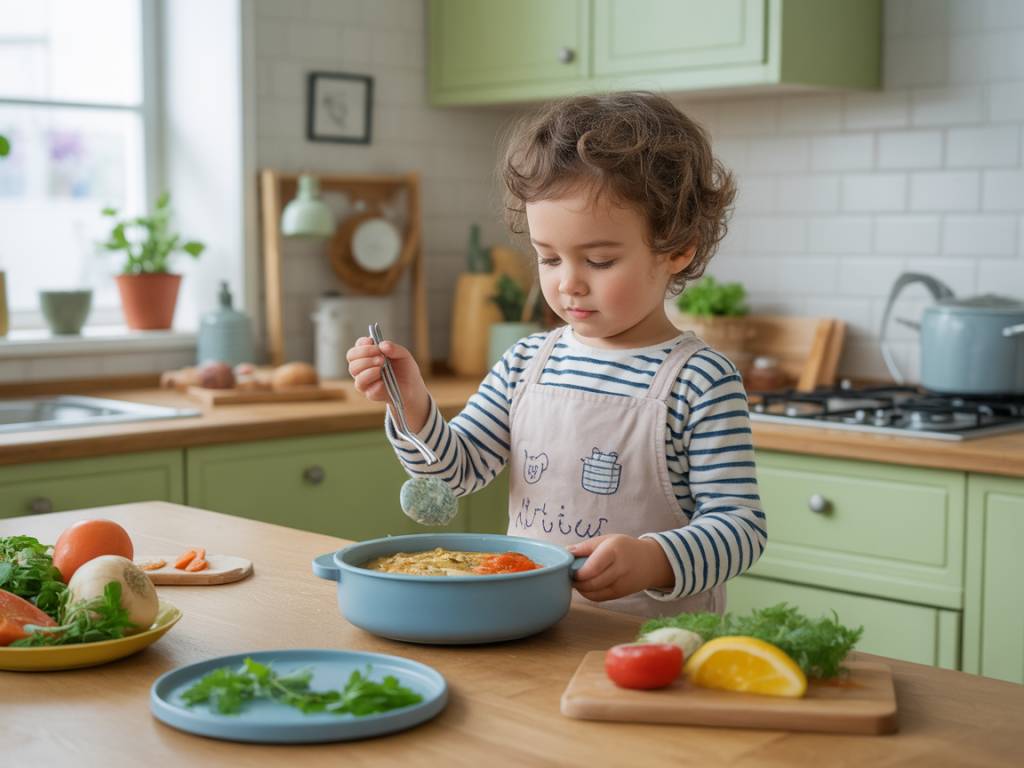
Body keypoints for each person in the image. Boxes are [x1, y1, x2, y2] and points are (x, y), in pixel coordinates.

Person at [346, 92, 765, 618]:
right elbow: (458, 472)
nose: (569, 284)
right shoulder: (526, 362)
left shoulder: (700, 380)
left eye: (600, 260)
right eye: (548, 258)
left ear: (678, 248)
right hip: (532, 626)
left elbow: (740, 527)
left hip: (657, 642)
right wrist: (410, 407)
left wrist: (656, 558)